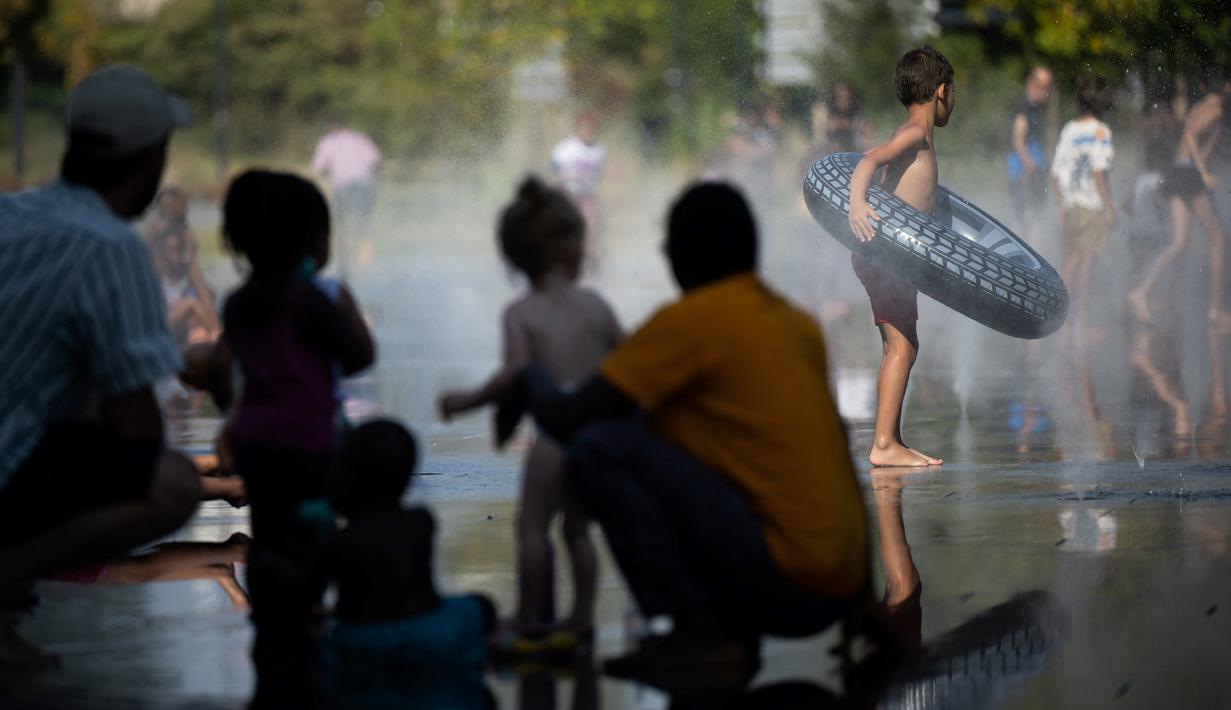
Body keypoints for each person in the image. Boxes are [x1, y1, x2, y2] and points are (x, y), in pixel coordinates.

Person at [491, 182, 869, 678]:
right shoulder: (796, 324)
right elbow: (840, 454)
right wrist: (867, 600)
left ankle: (701, 634)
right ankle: (728, 630)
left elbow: (567, 418)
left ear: (676, 258)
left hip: (784, 583)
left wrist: (528, 376)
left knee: (597, 450)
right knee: (654, 431)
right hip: (838, 589)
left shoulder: (689, 323)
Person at [0, 65, 201, 669]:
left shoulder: (11, 214)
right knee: (170, 484)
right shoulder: (109, 247)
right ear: (152, 157)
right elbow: (137, 429)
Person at [438, 177, 622, 656]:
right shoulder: (596, 306)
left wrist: (467, 401)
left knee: (532, 529)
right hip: (594, 439)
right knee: (578, 529)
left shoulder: (521, 313)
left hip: (553, 441)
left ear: (517, 259)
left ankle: (530, 617)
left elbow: (515, 373)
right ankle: (581, 620)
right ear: (573, 252)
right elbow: (629, 364)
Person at [219, 170, 375, 706]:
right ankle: (307, 604)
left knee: (267, 528)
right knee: (314, 527)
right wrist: (345, 310)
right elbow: (358, 357)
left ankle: (270, 612)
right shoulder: (310, 301)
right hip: (311, 443)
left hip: (256, 443)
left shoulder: (237, 303)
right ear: (312, 244)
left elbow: (230, 373)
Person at [322, 420, 496, 694]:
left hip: (363, 641)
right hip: (427, 636)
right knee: (481, 605)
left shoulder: (342, 539)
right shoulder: (421, 521)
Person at [846, 47, 954, 468]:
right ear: (942, 91)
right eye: (953, 92)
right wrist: (857, 204)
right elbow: (869, 160)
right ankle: (884, 444)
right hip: (887, 254)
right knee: (901, 349)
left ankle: (891, 438)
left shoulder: (914, 133)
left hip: (891, 255)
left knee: (901, 346)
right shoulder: (914, 135)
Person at [1128, 71, 1231, 329]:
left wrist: (1202, 164)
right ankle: (1214, 310)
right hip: (1187, 174)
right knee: (1218, 239)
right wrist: (1203, 172)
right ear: (1227, 87)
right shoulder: (1216, 109)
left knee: (1179, 242)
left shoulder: (1199, 107)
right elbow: (1189, 136)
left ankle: (1141, 291)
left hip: (1179, 171)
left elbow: (1191, 141)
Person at [1051, 75, 1116, 347]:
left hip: (1070, 205)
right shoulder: (1100, 131)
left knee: (1070, 263)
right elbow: (1099, 171)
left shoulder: (1069, 130)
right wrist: (1110, 206)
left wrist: (1060, 206)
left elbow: (1056, 173)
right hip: (1090, 205)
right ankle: (1080, 324)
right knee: (1087, 264)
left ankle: (1059, 319)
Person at [311, 119, 382, 276]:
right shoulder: (360, 138)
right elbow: (376, 160)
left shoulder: (328, 142)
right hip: (364, 183)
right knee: (362, 218)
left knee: (340, 222)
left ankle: (343, 261)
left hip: (342, 184)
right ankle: (365, 259)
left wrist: (330, 171)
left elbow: (318, 168)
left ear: (332, 129)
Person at [1006, 66, 1054, 231]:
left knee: (1031, 220)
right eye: (1043, 86)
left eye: (1048, 86)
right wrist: (1030, 169)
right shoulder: (1025, 108)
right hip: (1024, 175)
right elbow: (1018, 140)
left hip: (1028, 173)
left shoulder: (1035, 108)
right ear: (1031, 84)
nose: (1046, 91)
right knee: (1029, 221)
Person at [550, 112, 606, 253]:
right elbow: (553, 172)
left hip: (588, 196)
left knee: (591, 227)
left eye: (590, 128)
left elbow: (599, 172)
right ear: (577, 128)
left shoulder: (598, 149)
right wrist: (570, 177)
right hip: (569, 193)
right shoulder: (566, 148)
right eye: (584, 127)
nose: (587, 131)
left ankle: (589, 256)